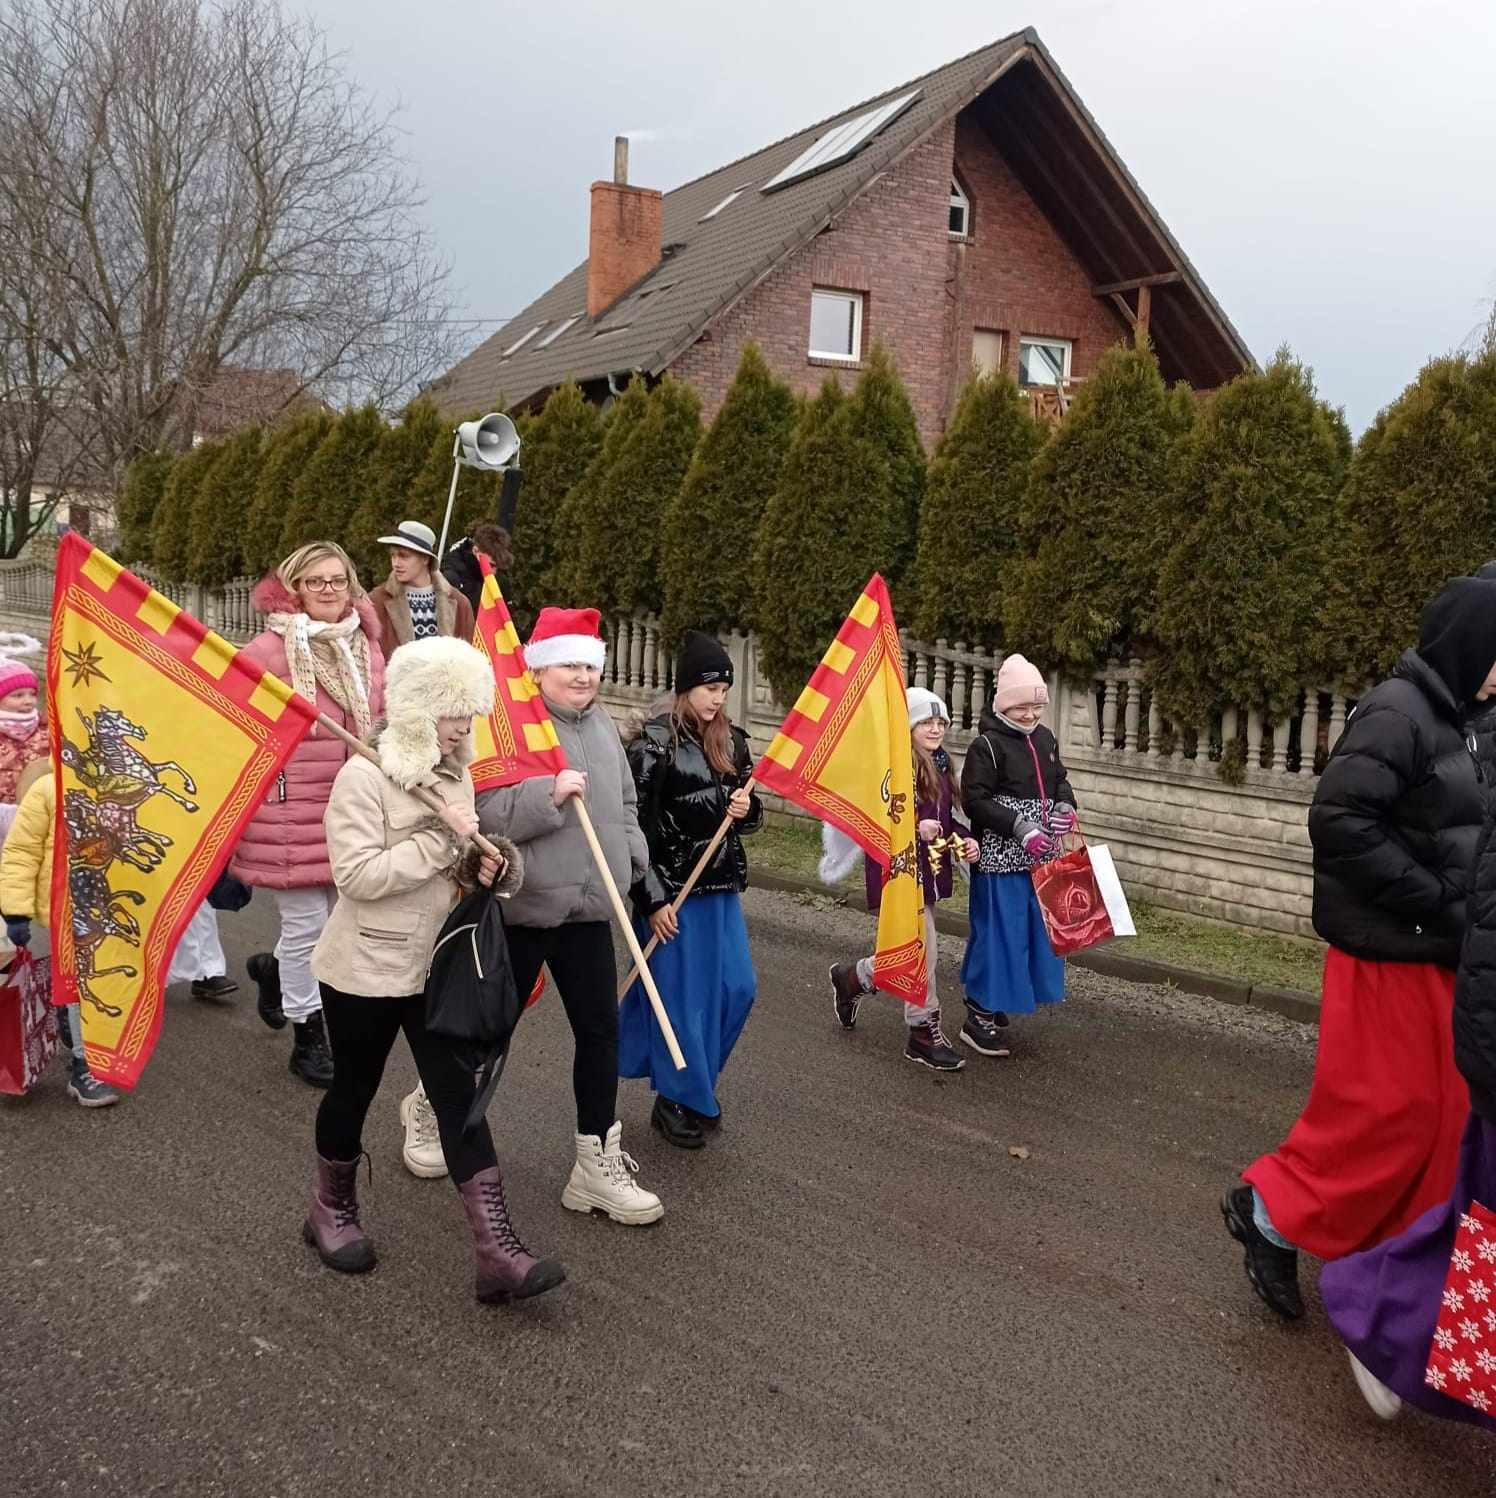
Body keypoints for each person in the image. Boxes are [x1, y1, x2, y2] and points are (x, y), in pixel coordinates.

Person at [1223, 576, 1496, 1322]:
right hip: (1385, 953)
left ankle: (1392, 1266)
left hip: (1444, 951)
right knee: (1387, 1117)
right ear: (1469, 643)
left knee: (1446, 1121)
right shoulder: (1397, 711)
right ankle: (1270, 1215)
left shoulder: (1474, 718)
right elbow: (1340, 821)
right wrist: (1435, 894)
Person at [304, 636, 563, 1304]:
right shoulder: (363, 776)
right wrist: (442, 839)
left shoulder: (453, 777)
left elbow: (454, 868)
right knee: (353, 1091)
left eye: (469, 713)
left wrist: (485, 865)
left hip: (435, 969)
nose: (463, 727)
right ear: (417, 709)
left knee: (460, 1102)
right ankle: (330, 1211)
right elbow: (357, 877)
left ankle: (498, 1253)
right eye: (452, 712)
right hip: (363, 970)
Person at [476, 606, 663, 1225]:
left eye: (590, 665)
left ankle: (594, 1165)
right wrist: (547, 795)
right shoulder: (512, 725)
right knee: (491, 1029)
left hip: (590, 907)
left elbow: (625, 801)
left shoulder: (603, 722)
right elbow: (485, 814)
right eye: (570, 665)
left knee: (600, 1031)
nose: (583, 676)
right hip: (526, 906)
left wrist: (633, 856)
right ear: (539, 670)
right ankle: (437, 1108)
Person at [232, 541, 386, 1086]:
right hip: (289, 809)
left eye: (337, 580)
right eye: (315, 581)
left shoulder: (367, 646)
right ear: (294, 587)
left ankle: (273, 972)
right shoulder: (266, 652)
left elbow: (381, 716)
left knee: (340, 921)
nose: (328, 590)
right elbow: (238, 725)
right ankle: (308, 1034)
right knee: (307, 927)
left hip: (352, 806)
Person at [619, 630, 761, 1148]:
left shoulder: (734, 742)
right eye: (708, 688)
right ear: (685, 687)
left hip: (719, 888)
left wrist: (747, 809)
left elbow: (749, 817)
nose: (717, 699)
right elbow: (632, 831)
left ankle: (695, 1083)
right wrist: (652, 900)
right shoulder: (652, 745)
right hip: (671, 897)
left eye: (724, 689)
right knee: (681, 1003)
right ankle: (677, 1098)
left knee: (738, 988)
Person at [828, 687, 980, 1071]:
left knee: (909, 952)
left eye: (940, 722)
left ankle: (853, 979)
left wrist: (964, 841)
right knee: (923, 952)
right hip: (898, 874)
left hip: (926, 872)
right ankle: (922, 1033)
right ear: (907, 726)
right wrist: (914, 826)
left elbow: (944, 823)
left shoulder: (940, 764)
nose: (935, 729)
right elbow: (879, 819)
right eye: (926, 722)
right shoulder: (893, 766)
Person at [958, 654, 1074, 1057]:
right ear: (1003, 704)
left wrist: (1065, 807)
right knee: (999, 935)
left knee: (1034, 933)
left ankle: (998, 998)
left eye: (1037, 706)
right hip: (999, 860)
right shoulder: (986, 746)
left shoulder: (1046, 739)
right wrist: (1020, 827)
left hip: (1041, 860)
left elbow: (1060, 781)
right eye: (1022, 706)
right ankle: (978, 1014)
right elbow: (974, 801)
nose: (1030, 715)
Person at [0, 759, 118, 1106]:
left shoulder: (121, 789)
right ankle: (84, 1067)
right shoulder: (47, 789)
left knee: (104, 982)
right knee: (83, 984)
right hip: (65, 907)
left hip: (114, 907)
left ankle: (69, 1017)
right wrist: (16, 911)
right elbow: (21, 852)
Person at [368, 521, 476, 661]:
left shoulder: (459, 603)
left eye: (404, 556)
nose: (396, 563)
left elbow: (468, 658)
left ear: (425, 559)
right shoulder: (376, 601)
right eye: (393, 555)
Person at [0, 634, 47, 806]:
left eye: (32, 694)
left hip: (34, 811)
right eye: (18, 695)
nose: (28, 701)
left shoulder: (44, 730)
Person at [441, 522, 515, 616]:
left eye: (498, 566)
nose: (494, 572)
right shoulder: (452, 577)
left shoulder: (500, 580)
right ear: (475, 551)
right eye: (490, 565)